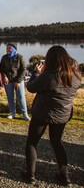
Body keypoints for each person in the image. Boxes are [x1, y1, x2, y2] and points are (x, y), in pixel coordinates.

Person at [22, 45, 81, 185]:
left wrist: (36, 73)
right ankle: (65, 176)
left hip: (42, 114)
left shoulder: (49, 76)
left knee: (32, 142)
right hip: (62, 115)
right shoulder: (76, 76)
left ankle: (30, 175)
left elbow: (31, 87)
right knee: (57, 142)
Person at [0, 43, 30, 121]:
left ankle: (24, 114)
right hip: (8, 81)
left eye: (9, 48)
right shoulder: (4, 57)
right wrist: (4, 77)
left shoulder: (20, 57)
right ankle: (12, 113)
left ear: (14, 49)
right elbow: (1, 69)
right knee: (10, 97)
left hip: (18, 81)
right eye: (6, 48)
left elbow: (23, 69)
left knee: (21, 97)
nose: (7, 49)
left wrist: (18, 81)